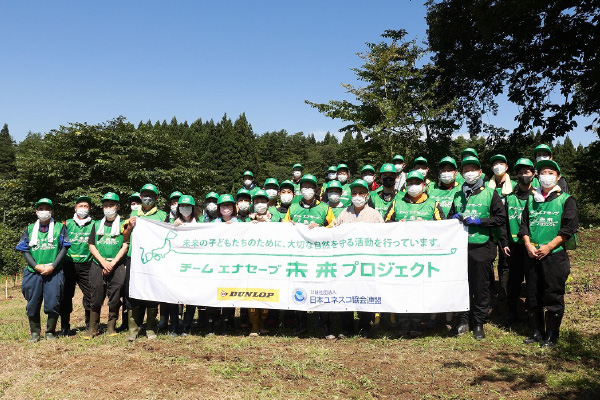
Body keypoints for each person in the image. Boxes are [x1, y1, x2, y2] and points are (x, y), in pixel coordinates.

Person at [518, 159, 577, 348]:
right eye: (543, 172)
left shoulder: (566, 200)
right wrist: (527, 244)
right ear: (537, 176)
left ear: (558, 177)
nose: (547, 176)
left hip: (554, 255)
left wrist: (549, 246)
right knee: (533, 294)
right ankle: (536, 332)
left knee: (552, 294)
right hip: (533, 254)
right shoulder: (531, 199)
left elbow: (568, 229)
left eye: (551, 172)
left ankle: (552, 335)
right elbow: (524, 225)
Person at [447, 156, 506, 340]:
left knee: (481, 286)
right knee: (461, 285)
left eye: (473, 169)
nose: (469, 173)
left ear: (480, 172)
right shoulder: (457, 194)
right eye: (466, 170)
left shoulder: (490, 193)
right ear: (462, 174)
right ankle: (463, 319)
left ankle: (479, 323)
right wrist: (453, 218)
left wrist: (481, 221)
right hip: (460, 247)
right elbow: (449, 219)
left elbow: (500, 218)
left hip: (482, 245)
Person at [385, 171, 445, 336]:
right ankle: (403, 322)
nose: (413, 186)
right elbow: (386, 223)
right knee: (402, 287)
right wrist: (398, 225)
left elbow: (444, 228)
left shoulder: (433, 204)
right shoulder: (397, 202)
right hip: (401, 254)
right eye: (410, 182)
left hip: (424, 255)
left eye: (417, 182)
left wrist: (427, 225)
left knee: (421, 287)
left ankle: (418, 322)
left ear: (424, 185)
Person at [332, 179, 385, 338]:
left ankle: (365, 327)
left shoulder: (374, 214)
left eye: (361, 193)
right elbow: (332, 232)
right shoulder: (344, 213)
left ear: (367, 195)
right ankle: (346, 328)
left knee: (365, 293)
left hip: (367, 262)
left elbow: (383, 235)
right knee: (345, 292)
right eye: (354, 193)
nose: (357, 196)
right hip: (346, 263)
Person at [283, 174, 335, 335]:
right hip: (299, 256)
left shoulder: (325, 208)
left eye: (310, 187)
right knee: (299, 288)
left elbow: (333, 229)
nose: (307, 190)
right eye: (304, 187)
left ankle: (325, 325)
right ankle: (301, 324)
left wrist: (320, 228)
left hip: (319, 256)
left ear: (315, 189)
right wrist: (290, 226)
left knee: (321, 289)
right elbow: (283, 228)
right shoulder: (293, 208)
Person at [17, 198, 71, 342]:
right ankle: (35, 333)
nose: (44, 211)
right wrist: (35, 266)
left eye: (47, 209)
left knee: (53, 302)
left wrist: (53, 266)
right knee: (32, 303)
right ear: (36, 212)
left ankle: (50, 332)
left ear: (52, 211)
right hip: (33, 271)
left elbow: (64, 248)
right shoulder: (29, 229)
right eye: (41, 209)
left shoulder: (60, 227)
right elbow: (24, 249)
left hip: (54, 271)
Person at [122, 183, 168, 341]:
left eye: (151, 195)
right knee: (132, 293)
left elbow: (168, 236)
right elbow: (125, 237)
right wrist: (130, 226)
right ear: (140, 197)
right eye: (145, 195)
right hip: (134, 258)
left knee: (152, 292)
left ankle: (150, 328)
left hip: (154, 260)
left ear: (156, 198)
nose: (148, 198)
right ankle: (133, 330)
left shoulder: (163, 215)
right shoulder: (133, 214)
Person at [85, 192, 128, 339]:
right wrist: (103, 262)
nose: (108, 208)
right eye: (105, 205)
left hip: (117, 265)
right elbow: (91, 245)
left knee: (115, 295)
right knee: (96, 295)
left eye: (111, 205)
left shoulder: (125, 223)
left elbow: (125, 245)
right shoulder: (96, 224)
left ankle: (111, 327)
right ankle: (93, 328)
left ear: (117, 206)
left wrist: (113, 262)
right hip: (98, 264)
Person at [500, 158, 536, 327]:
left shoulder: (539, 197)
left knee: (532, 282)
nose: (523, 176)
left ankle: (532, 315)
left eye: (526, 172)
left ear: (533, 174)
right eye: (520, 173)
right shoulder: (510, 198)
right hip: (514, 246)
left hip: (532, 247)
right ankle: (511, 314)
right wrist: (505, 242)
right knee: (513, 282)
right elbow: (504, 222)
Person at [60, 195, 94, 336]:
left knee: (90, 295)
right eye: (80, 206)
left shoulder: (94, 224)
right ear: (75, 208)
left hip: (87, 264)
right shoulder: (66, 224)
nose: (83, 209)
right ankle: (65, 326)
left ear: (90, 208)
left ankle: (89, 323)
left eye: (86, 206)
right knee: (66, 296)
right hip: (68, 264)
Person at [486, 154, 517, 307]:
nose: (498, 166)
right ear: (491, 168)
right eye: (495, 163)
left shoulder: (515, 186)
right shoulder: (486, 186)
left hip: (509, 228)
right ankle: (491, 290)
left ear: (506, 167)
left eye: (501, 163)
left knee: (506, 261)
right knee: (488, 259)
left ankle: (504, 292)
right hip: (490, 228)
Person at [175, 195, 202, 336]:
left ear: (193, 208)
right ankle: (174, 326)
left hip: (195, 266)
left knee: (191, 297)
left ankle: (186, 326)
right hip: (178, 265)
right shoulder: (172, 222)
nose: (185, 209)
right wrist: (173, 227)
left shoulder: (201, 222)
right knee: (175, 295)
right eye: (182, 206)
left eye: (188, 206)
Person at [158, 191, 183, 330]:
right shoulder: (164, 218)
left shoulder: (187, 219)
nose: (176, 205)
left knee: (178, 290)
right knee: (164, 290)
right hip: (166, 259)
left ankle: (178, 316)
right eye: (173, 203)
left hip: (181, 260)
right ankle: (163, 318)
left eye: (178, 203)